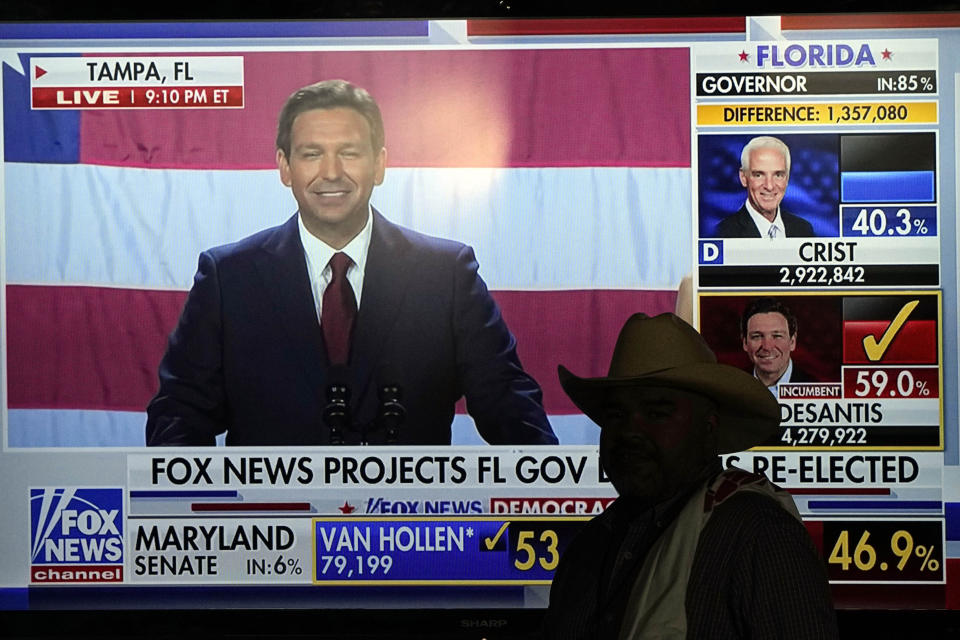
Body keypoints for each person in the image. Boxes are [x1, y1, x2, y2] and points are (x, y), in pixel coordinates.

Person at [146, 79, 556, 446]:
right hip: (271, 525)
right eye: (311, 154)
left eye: (349, 153)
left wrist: (553, 497)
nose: (331, 172)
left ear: (379, 164)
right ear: (285, 167)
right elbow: (180, 414)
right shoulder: (227, 277)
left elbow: (507, 403)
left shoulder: (446, 273)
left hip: (411, 525)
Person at [543, 313, 836, 639]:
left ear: (708, 426)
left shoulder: (758, 535)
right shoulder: (591, 545)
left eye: (657, 412)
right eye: (616, 414)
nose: (630, 430)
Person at [714, 136, 815, 238]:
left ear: (787, 178)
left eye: (778, 175)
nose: (769, 186)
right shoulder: (723, 234)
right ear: (744, 177)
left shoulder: (804, 229)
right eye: (759, 175)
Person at [741, 297, 812, 392]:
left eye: (777, 336)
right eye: (757, 336)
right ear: (745, 343)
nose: (767, 347)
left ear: (792, 341)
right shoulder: (733, 389)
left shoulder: (816, 389)